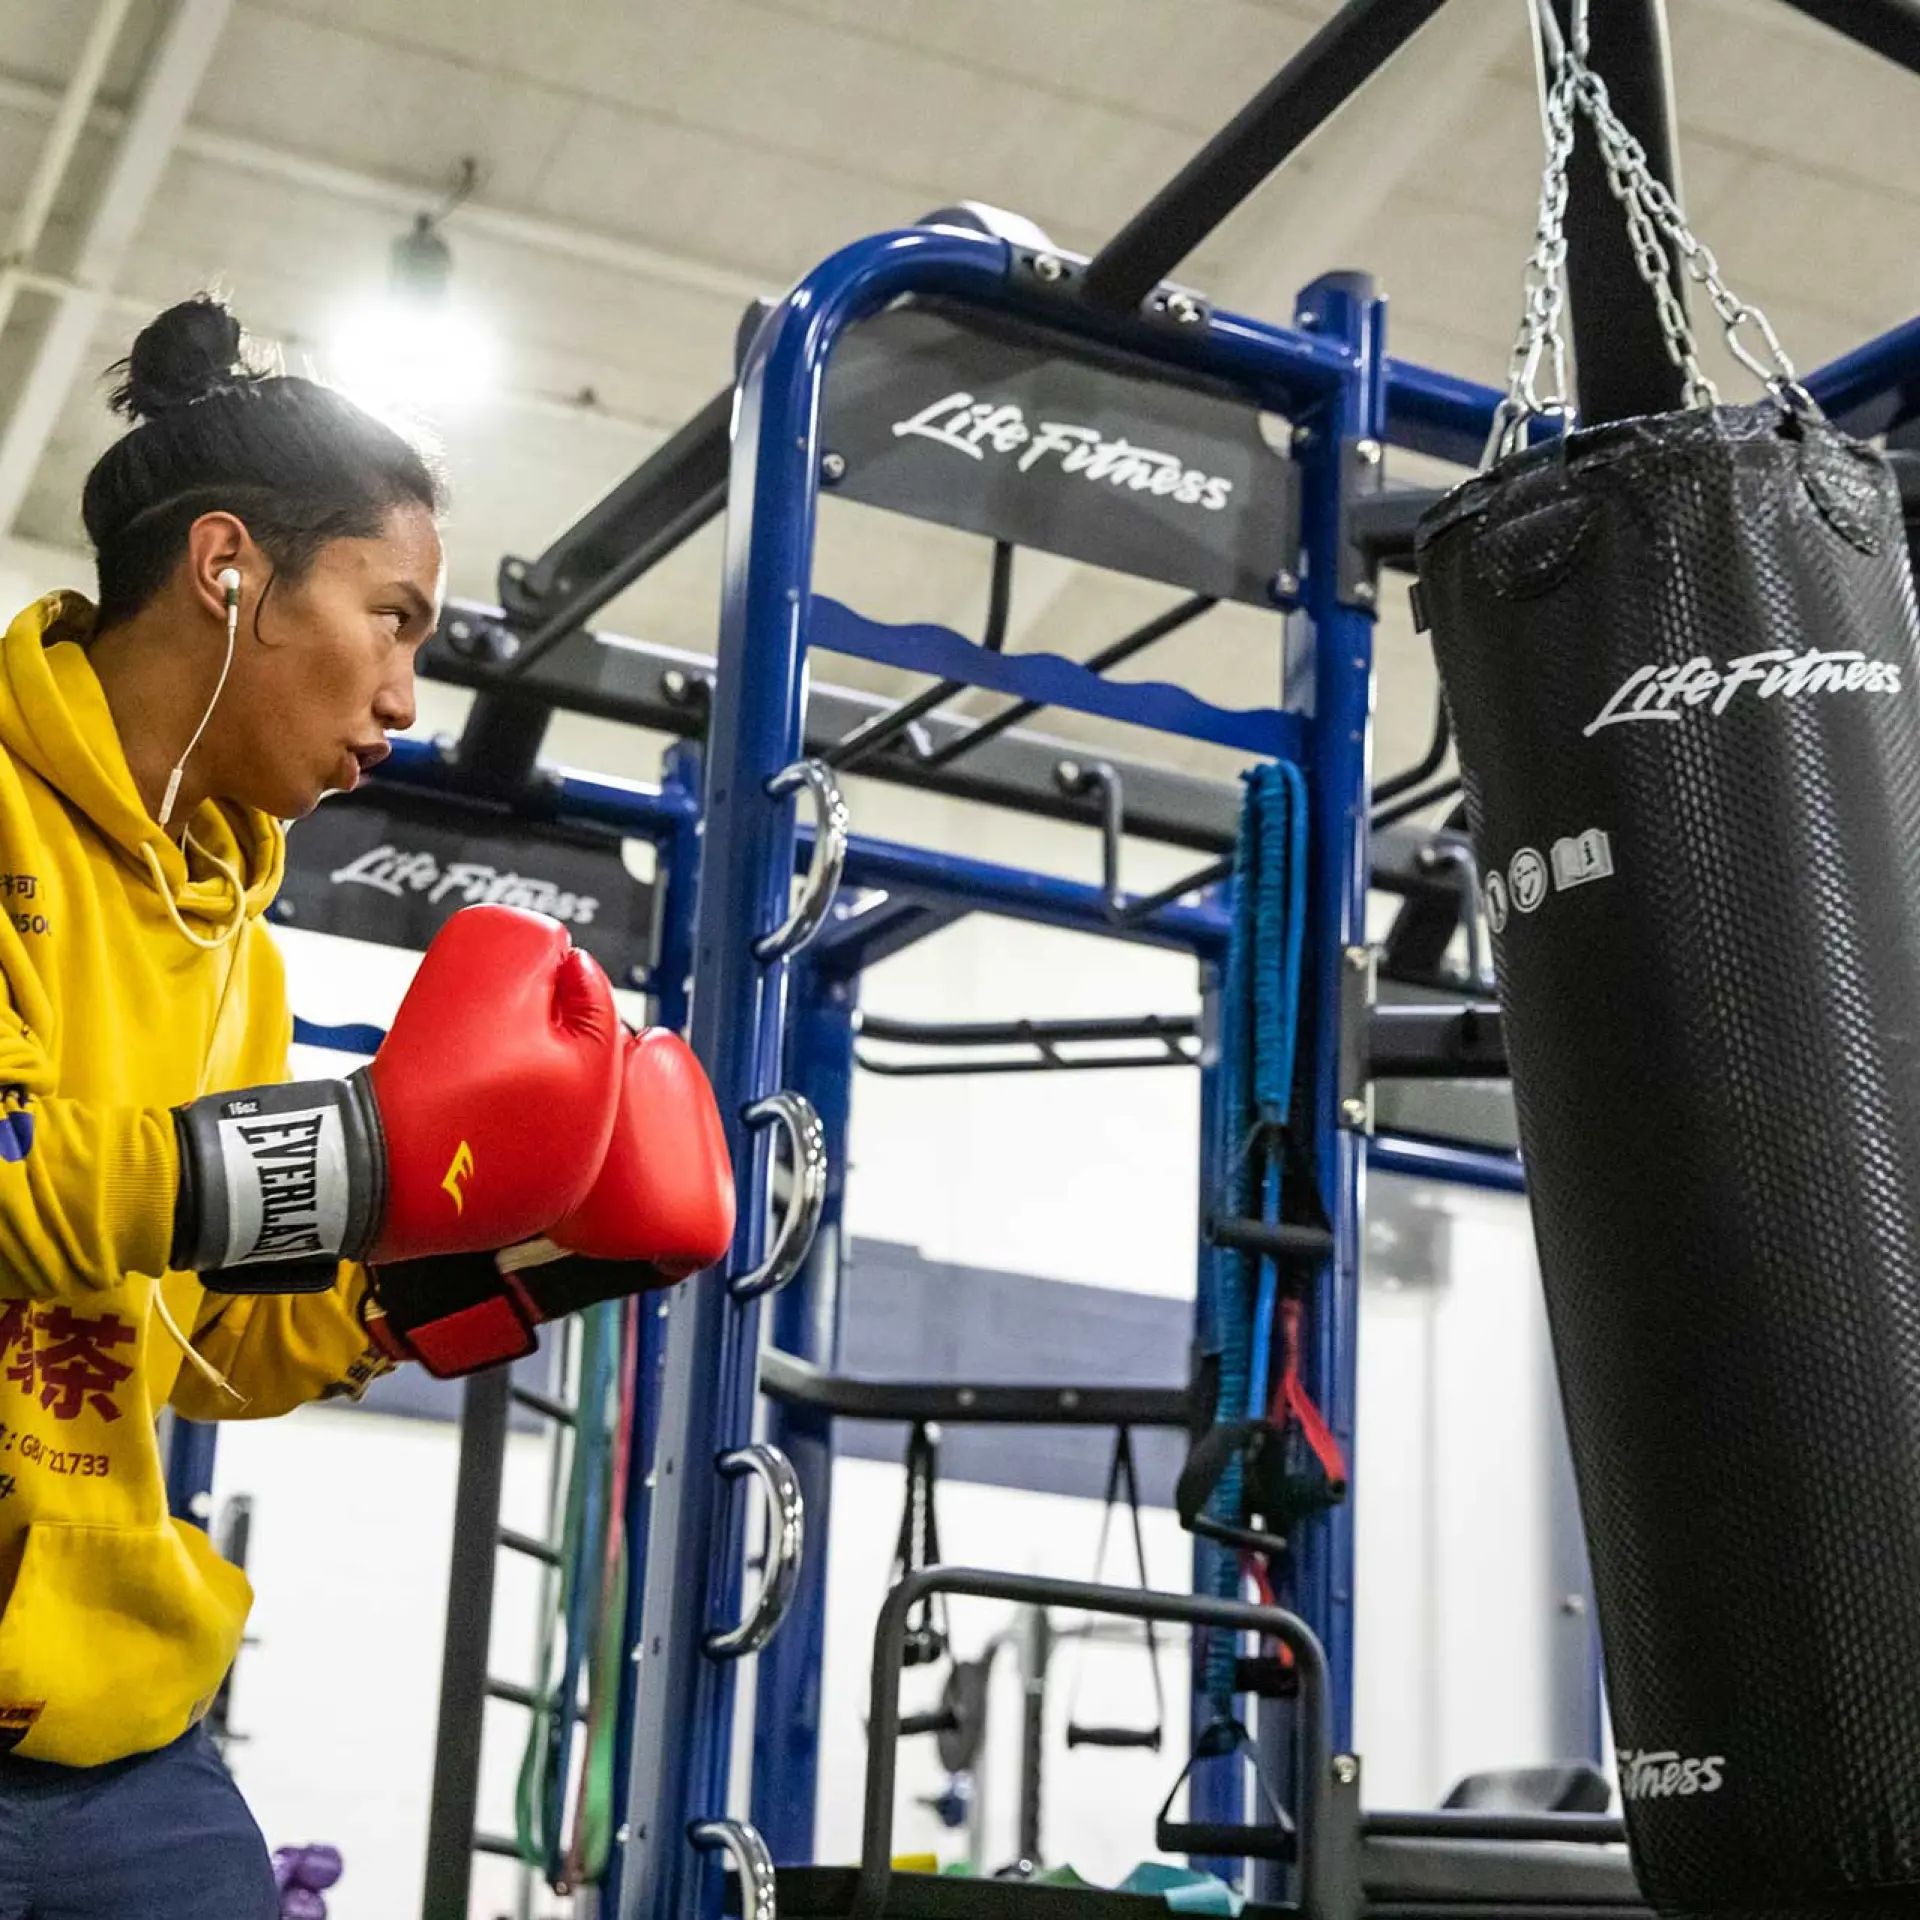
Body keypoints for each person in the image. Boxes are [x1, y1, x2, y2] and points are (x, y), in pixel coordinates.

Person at [0, 297, 736, 1917]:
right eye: (393, 617)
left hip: (116, 1730)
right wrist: (363, 1149)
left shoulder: (229, 945)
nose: (407, 694)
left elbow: (213, 1339)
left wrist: (486, 1264)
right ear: (229, 570)